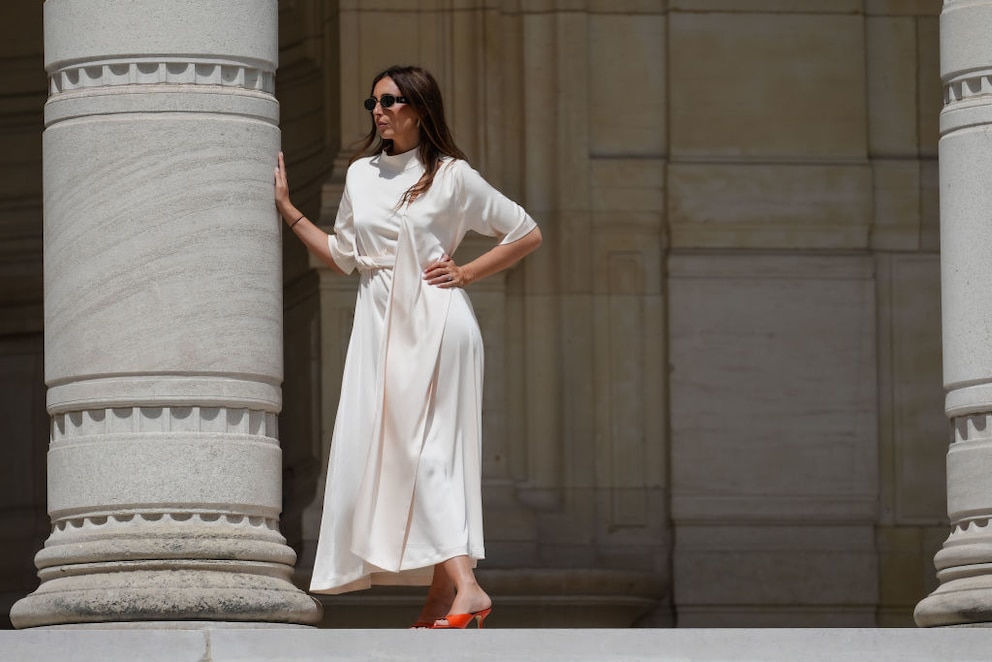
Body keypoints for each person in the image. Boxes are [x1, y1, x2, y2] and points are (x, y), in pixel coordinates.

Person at [273, 65, 542, 629]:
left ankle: (466, 587)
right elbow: (343, 255)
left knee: (426, 454)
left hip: (436, 320)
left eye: (391, 101)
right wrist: (289, 211)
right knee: (413, 453)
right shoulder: (361, 176)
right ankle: (441, 600)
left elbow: (525, 232)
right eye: (372, 101)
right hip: (378, 322)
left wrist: (465, 272)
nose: (379, 111)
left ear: (419, 108)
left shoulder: (452, 176)